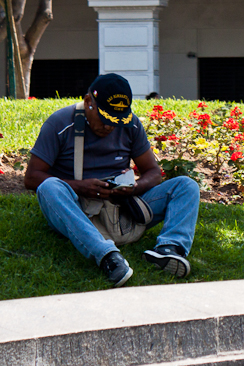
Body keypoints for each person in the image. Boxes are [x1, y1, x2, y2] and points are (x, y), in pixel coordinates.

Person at [25, 73, 200, 288]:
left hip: (122, 207)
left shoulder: (131, 125)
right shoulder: (60, 123)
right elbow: (32, 178)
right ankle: (108, 257)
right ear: (88, 102)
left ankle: (169, 249)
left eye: (117, 121)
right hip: (78, 210)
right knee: (49, 187)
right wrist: (80, 187)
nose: (110, 126)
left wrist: (135, 188)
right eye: (105, 118)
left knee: (186, 186)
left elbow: (153, 172)